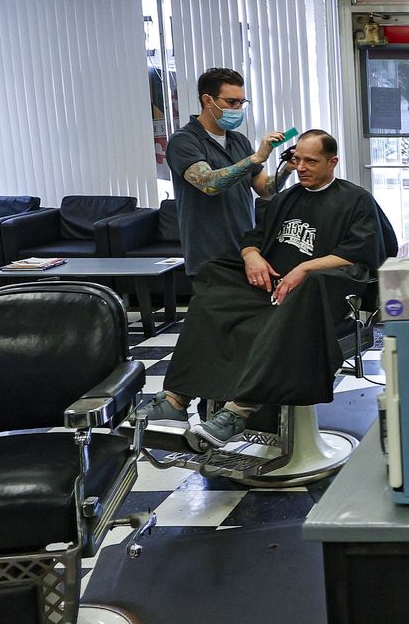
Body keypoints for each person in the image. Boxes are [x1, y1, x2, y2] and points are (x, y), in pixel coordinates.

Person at [163, 130, 391, 450]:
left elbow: (363, 251)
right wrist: (251, 256)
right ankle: (175, 399)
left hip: (321, 296)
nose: (301, 168)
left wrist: (305, 268)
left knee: (305, 289)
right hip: (272, 289)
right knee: (213, 277)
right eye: (297, 160)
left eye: (311, 161)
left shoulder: (356, 200)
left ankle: (238, 411)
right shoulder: (285, 199)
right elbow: (253, 238)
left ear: (333, 162)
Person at [139, 67, 288, 426]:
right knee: (209, 328)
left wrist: (288, 166)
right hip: (208, 252)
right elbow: (208, 183)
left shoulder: (237, 141)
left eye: (242, 102)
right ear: (208, 100)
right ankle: (184, 399)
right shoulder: (184, 141)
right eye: (231, 102)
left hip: (245, 250)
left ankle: (206, 405)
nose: (238, 108)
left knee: (230, 331)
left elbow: (265, 189)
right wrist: (256, 158)